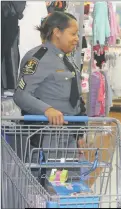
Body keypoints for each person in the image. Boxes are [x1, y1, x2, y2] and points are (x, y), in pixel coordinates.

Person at [13, 11, 86, 185]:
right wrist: (47, 109)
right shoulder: (38, 58)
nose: (77, 38)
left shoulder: (66, 59)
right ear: (57, 32)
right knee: (52, 184)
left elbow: (75, 97)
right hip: (48, 135)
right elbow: (21, 95)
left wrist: (80, 132)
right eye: (73, 33)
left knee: (68, 183)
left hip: (68, 134)